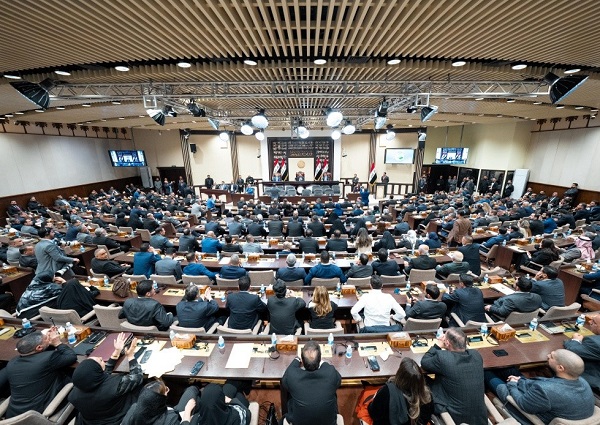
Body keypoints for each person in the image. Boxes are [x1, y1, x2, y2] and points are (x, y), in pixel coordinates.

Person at [495, 349, 594, 424]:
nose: (548, 355)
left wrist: (512, 384)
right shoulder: (582, 381)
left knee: (495, 380)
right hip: (549, 404)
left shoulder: (545, 389)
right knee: (510, 370)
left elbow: (523, 404)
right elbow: (546, 385)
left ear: (560, 368)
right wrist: (520, 380)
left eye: (551, 357)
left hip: (532, 414)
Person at [69, 333, 143, 425]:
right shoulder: (115, 386)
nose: (101, 357)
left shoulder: (75, 394)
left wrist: (116, 352)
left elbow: (101, 375)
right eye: (100, 360)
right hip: (118, 419)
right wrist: (130, 356)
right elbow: (138, 376)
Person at [5, 327, 77, 418]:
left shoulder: (11, 363)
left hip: (14, 414)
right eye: (46, 338)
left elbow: (40, 355)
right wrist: (57, 343)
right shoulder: (48, 359)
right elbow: (71, 356)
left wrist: (46, 342)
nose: (48, 338)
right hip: (38, 414)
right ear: (39, 347)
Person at [420, 328, 487, 424]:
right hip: (479, 418)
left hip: (455, 416)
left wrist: (438, 345)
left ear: (447, 343)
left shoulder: (444, 358)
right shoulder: (476, 355)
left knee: (422, 380)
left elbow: (424, 362)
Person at [281, 341, 342, 425]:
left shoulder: (292, 375)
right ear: (319, 359)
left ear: (302, 361)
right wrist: (322, 361)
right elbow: (338, 381)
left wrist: (297, 359)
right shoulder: (330, 373)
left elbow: (285, 381)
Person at [368, 357, 434, 425]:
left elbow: (373, 414)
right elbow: (427, 418)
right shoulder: (427, 396)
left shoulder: (386, 392)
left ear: (399, 374)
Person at [122, 380, 198, 425]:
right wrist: (187, 412)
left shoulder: (134, 409)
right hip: (178, 418)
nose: (167, 391)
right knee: (192, 390)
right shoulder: (170, 419)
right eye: (166, 390)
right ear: (160, 399)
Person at [564, 314, 600, 391]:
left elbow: (572, 350)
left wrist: (576, 340)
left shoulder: (595, 343)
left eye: (594, 322)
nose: (589, 322)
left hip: (592, 382)